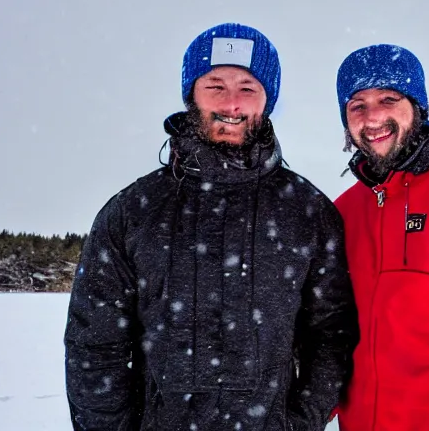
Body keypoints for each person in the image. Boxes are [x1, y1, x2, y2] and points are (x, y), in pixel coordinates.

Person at [64, 23, 358, 431]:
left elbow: (331, 336)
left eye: (247, 87)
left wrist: (301, 423)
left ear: (267, 100)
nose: (231, 103)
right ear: (191, 96)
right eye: (215, 86)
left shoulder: (308, 212)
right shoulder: (132, 213)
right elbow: (95, 345)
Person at [334, 43, 429, 431]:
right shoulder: (344, 211)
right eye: (357, 105)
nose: (373, 116)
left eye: (388, 98)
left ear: (417, 106)